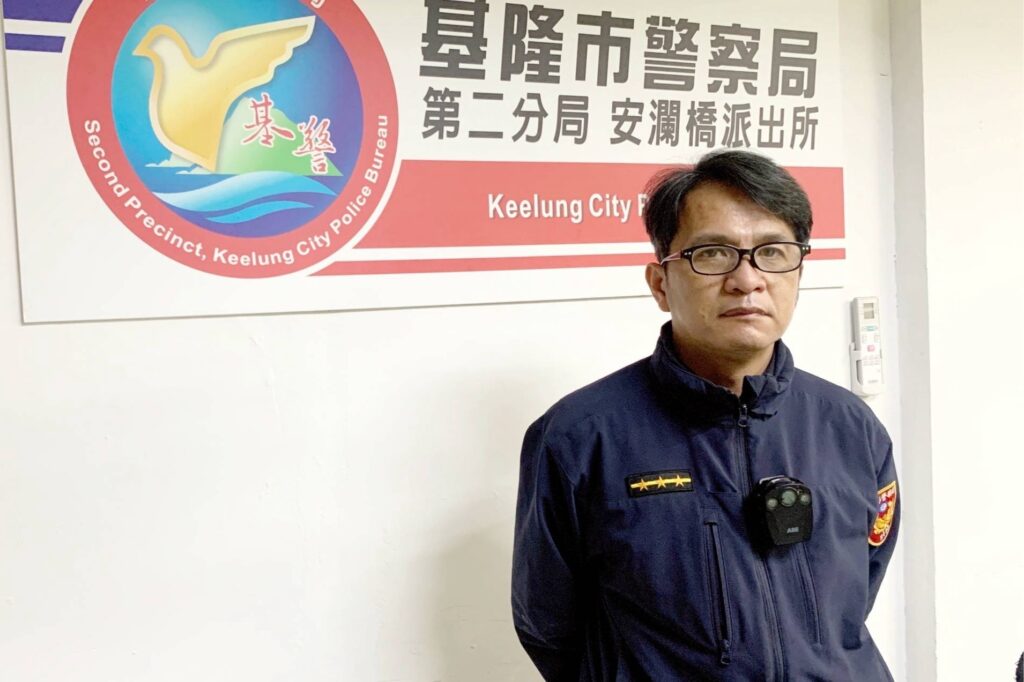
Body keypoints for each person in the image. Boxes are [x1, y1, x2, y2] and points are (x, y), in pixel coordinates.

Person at [511, 150, 900, 681]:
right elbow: (550, 626)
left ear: (798, 271)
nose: (747, 279)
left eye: (773, 252)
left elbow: (858, 591)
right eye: (713, 253)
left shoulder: (851, 427)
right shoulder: (580, 437)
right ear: (660, 283)